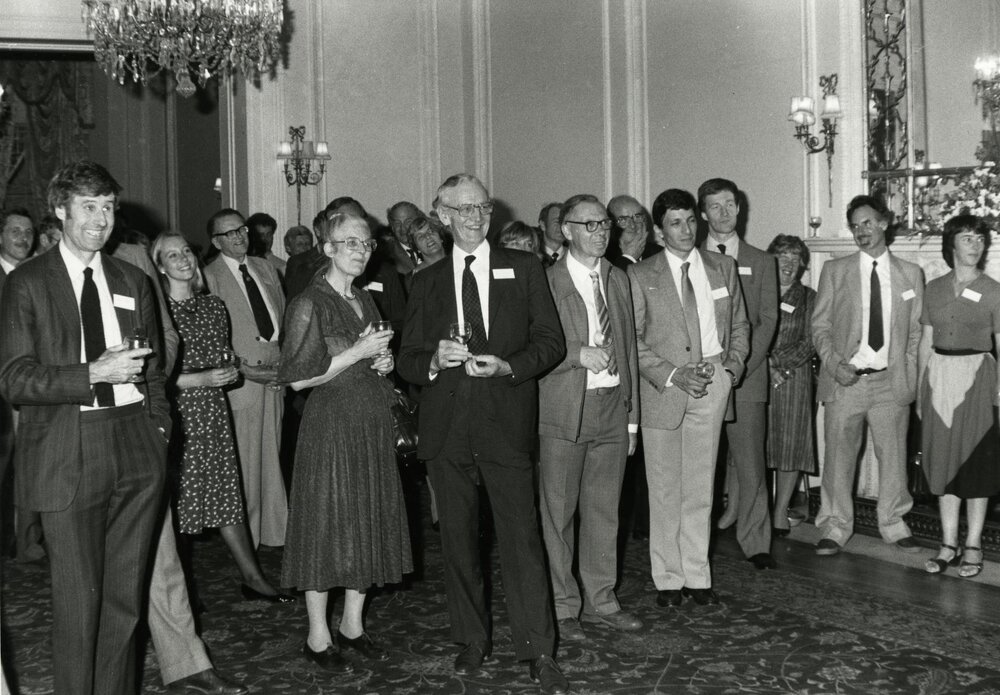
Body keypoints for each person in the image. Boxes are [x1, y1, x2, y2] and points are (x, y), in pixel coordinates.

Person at [0, 160, 168, 695]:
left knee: (125, 602)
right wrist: (93, 372)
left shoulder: (132, 279)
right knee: (78, 603)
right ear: (60, 210)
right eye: (88, 207)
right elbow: (14, 379)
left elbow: (155, 370)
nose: (100, 219)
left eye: (108, 207)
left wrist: (158, 433)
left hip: (135, 441)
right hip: (68, 448)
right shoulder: (28, 282)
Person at [398, 174, 568, 694]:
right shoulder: (426, 280)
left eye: (483, 207)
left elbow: (551, 342)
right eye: (464, 209)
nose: (475, 217)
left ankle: (539, 649)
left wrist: (509, 367)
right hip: (447, 430)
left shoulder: (524, 267)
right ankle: (471, 638)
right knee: (458, 542)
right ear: (442, 216)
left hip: (505, 424)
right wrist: (433, 361)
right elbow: (407, 359)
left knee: (522, 541)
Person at [279, 212, 412, 673]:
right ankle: (317, 636)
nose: (361, 250)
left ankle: (353, 626)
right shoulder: (308, 302)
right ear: (328, 248)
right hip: (331, 427)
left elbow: (371, 357)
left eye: (367, 243)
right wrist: (357, 353)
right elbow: (297, 379)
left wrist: (382, 361)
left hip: (370, 423)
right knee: (325, 528)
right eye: (350, 242)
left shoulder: (363, 298)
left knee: (366, 522)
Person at [152, 231, 294, 604]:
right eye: (172, 255)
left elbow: (224, 356)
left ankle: (253, 578)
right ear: (159, 267)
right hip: (179, 415)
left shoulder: (214, 306)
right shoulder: (157, 312)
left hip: (214, 412)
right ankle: (177, 593)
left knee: (228, 495)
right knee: (181, 500)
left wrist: (233, 370)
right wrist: (199, 379)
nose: (183, 259)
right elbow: (152, 377)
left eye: (186, 251)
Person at [628, 188, 748, 607]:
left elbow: (740, 326)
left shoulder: (722, 266)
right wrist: (672, 374)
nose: (686, 230)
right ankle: (667, 578)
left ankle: (697, 575)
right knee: (664, 489)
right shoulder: (640, 275)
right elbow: (633, 340)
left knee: (700, 486)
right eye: (675, 223)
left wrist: (729, 370)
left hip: (712, 381)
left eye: (691, 221)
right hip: (664, 388)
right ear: (660, 232)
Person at [537, 194, 641, 642]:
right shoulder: (544, 282)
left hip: (613, 407)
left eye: (605, 225)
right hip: (564, 409)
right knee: (558, 514)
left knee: (604, 511)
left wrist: (632, 419)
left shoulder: (617, 279)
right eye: (590, 225)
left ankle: (602, 599)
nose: (601, 233)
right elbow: (531, 348)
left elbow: (629, 348)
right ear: (566, 230)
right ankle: (562, 607)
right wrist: (576, 354)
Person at [812, 194, 922, 556]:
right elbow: (820, 327)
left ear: (884, 223)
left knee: (894, 458)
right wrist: (834, 365)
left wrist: (907, 373)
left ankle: (894, 523)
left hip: (891, 382)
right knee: (838, 459)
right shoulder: (836, 270)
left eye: (868, 222)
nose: (861, 231)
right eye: (855, 225)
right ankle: (835, 526)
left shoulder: (910, 274)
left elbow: (916, 333)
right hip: (846, 381)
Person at [698, 178, 778, 571]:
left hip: (747, 378)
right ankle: (697, 544)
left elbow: (768, 320)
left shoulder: (762, 261)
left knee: (751, 466)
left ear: (739, 208)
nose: (724, 212)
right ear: (703, 213)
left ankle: (756, 541)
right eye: (715, 205)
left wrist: (740, 366)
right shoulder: (690, 259)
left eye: (730, 204)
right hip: (702, 379)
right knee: (701, 468)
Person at [917, 214, 1000, 578]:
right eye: (968, 238)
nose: (975, 245)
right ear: (951, 243)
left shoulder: (993, 290)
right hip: (938, 379)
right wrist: (920, 391)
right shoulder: (934, 288)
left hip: (978, 379)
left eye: (980, 239)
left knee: (976, 464)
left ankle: (974, 544)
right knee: (943, 462)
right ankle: (948, 544)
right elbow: (924, 341)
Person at [203, 209, 288, 549]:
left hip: (275, 373)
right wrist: (246, 370)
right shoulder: (209, 276)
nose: (238, 236)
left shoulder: (265, 268)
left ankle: (275, 530)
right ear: (216, 242)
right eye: (229, 233)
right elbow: (210, 338)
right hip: (242, 377)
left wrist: (284, 365)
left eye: (241, 229)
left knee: (272, 455)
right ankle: (246, 539)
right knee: (246, 462)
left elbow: (282, 318)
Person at [765, 234, 817, 537]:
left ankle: (779, 511)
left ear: (802, 264)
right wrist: (765, 365)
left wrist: (775, 364)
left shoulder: (810, 297)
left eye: (795, 257)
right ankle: (745, 509)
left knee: (789, 446)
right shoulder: (757, 291)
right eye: (782, 256)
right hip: (757, 376)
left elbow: (811, 342)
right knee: (751, 444)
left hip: (792, 379)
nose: (788, 263)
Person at [606, 194, 661, 267]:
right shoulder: (602, 255)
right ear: (611, 225)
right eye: (623, 220)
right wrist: (629, 257)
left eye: (637, 217)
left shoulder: (660, 255)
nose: (632, 225)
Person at [385, 200, 424, 273]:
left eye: (408, 222)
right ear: (392, 228)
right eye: (397, 223)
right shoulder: (387, 255)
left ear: (418, 223)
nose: (403, 229)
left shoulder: (432, 246)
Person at [246, 211, 285, 277]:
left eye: (268, 234)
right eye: (261, 235)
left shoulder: (282, 266)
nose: (265, 239)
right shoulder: (245, 263)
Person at [539, 201, 566, 266]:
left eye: (565, 222)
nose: (561, 226)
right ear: (543, 225)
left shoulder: (575, 257)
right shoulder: (533, 257)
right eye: (557, 222)